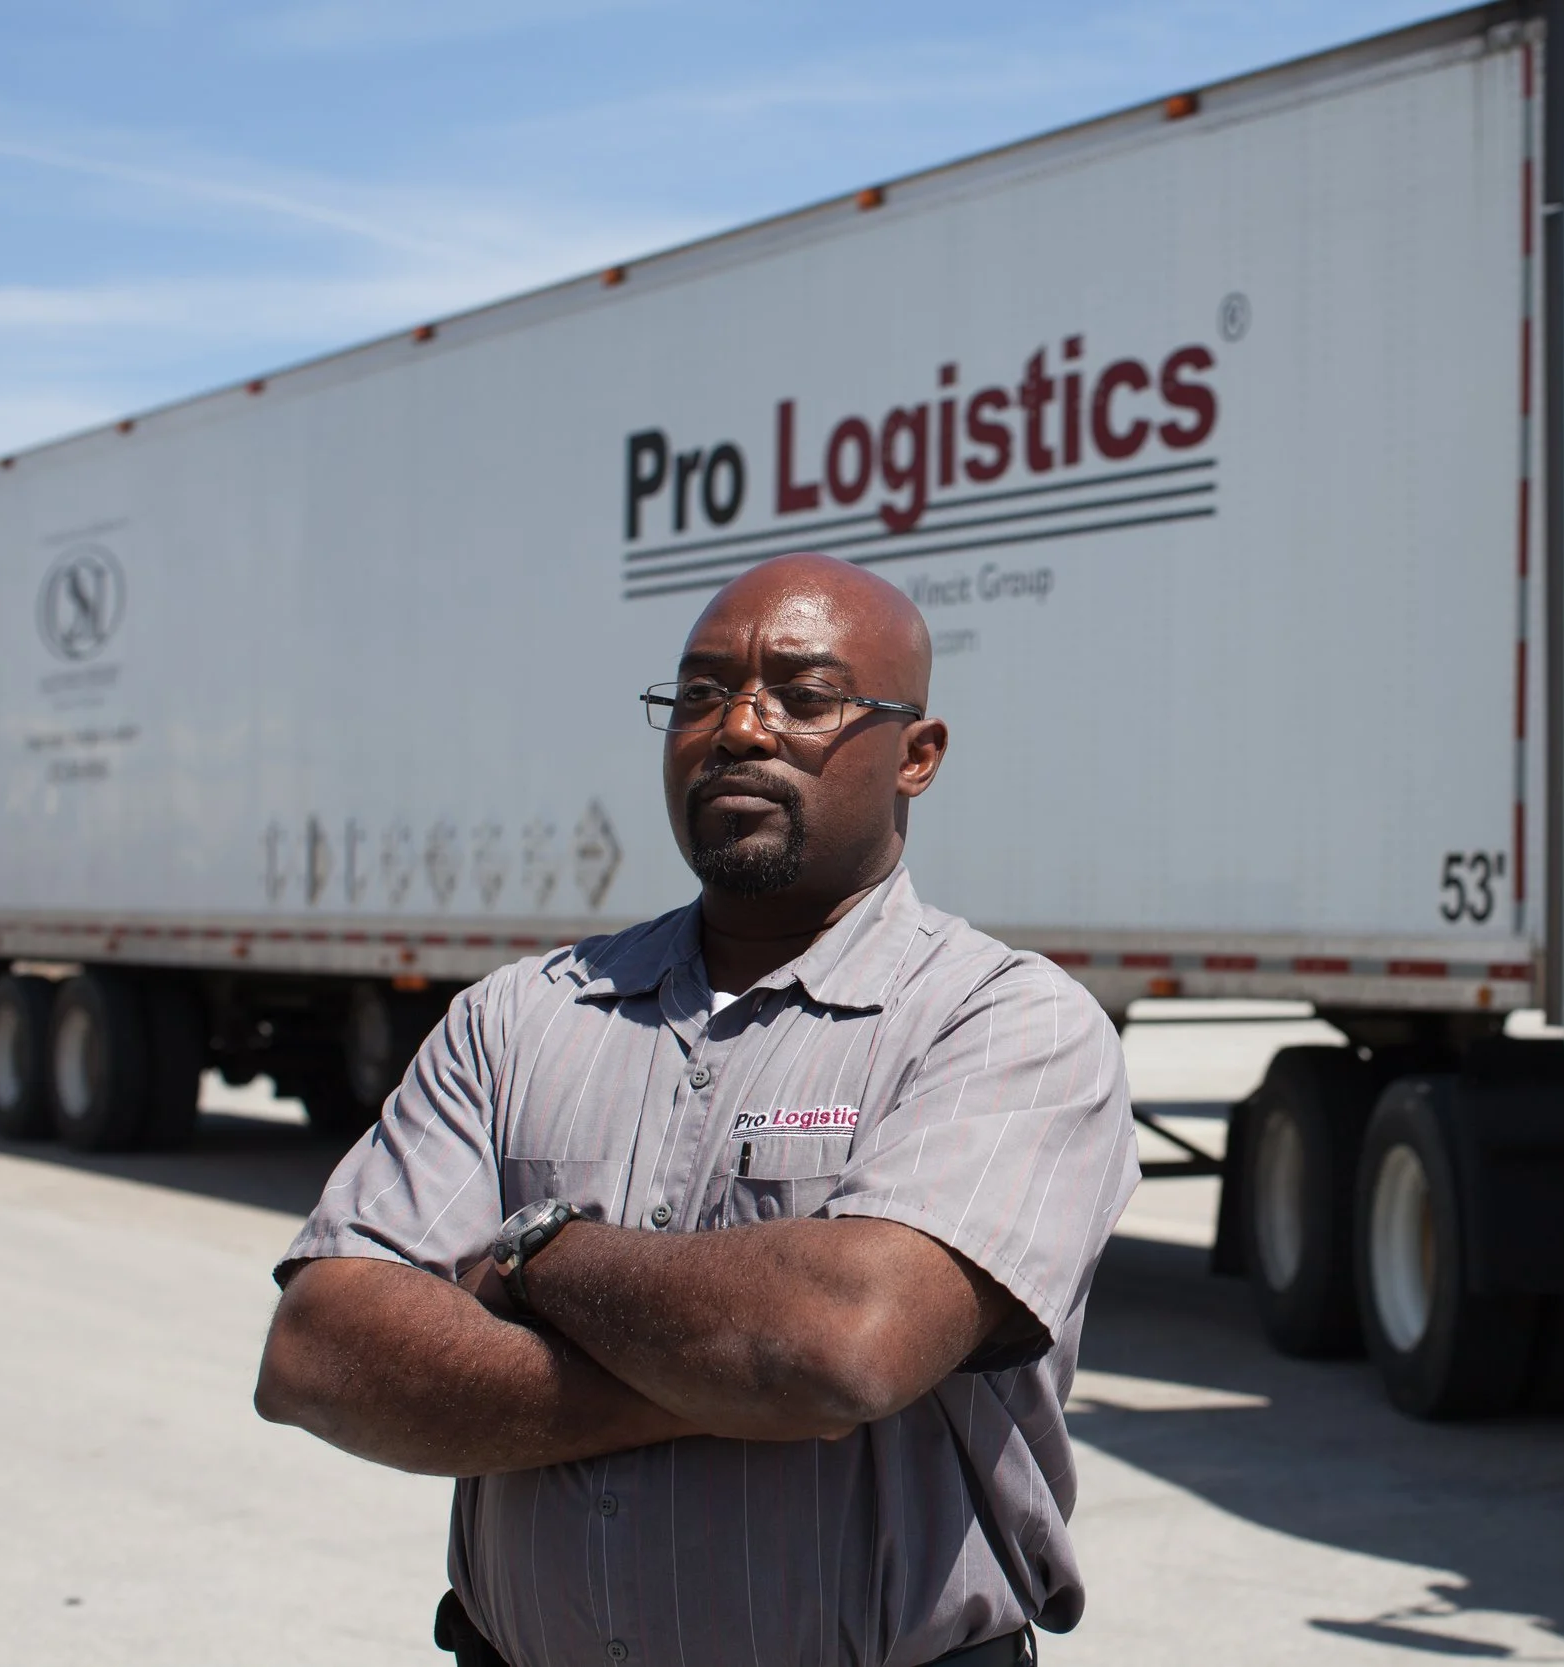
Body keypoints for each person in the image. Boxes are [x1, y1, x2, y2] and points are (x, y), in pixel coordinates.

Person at [255, 551, 1140, 1667]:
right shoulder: (520, 1015)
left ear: (917, 754)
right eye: (700, 694)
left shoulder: (1004, 1023)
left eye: (807, 697)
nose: (741, 729)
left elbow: (838, 1348)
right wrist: (737, 1377)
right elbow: (317, 1354)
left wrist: (537, 1258)